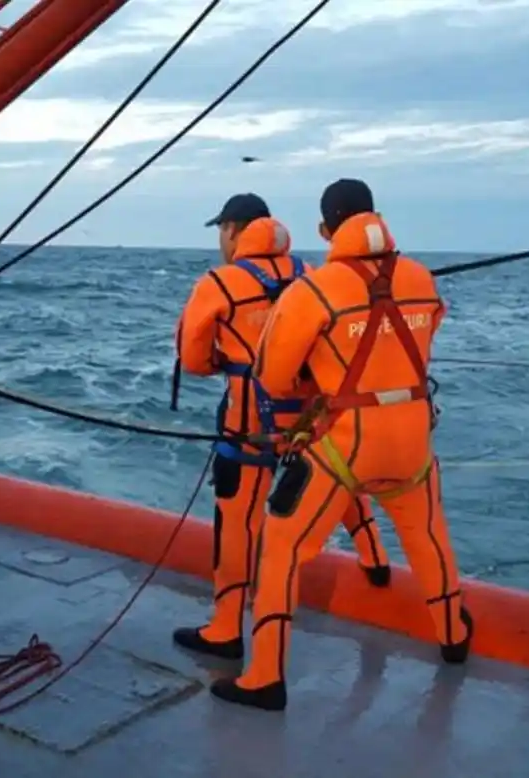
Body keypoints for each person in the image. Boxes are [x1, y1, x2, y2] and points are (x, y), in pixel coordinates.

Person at [212, 179, 473, 711]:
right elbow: (425, 333)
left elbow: (275, 376)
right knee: (428, 538)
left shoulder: (314, 290)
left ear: (326, 229)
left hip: (343, 447)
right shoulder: (421, 278)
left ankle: (264, 676)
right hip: (414, 442)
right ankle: (452, 636)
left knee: (281, 545)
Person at [172, 193, 391, 662]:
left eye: (220, 231)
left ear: (232, 230)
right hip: (312, 422)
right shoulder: (312, 275)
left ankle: (227, 629)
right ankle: (376, 559)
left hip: (247, 427)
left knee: (237, 526)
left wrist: (229, 362)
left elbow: (193, 358)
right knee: (341, 484)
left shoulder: (219, 282)